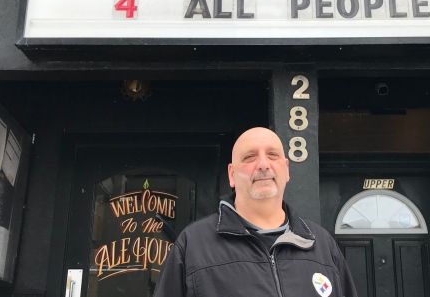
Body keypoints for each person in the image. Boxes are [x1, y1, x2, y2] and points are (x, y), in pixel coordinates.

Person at [153, 127, 358, 297]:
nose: (263, 165)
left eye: (272, 155)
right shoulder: (193, 244)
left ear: (286, 170)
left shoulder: (321, 244)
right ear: (232, 175)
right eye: (250, 157)